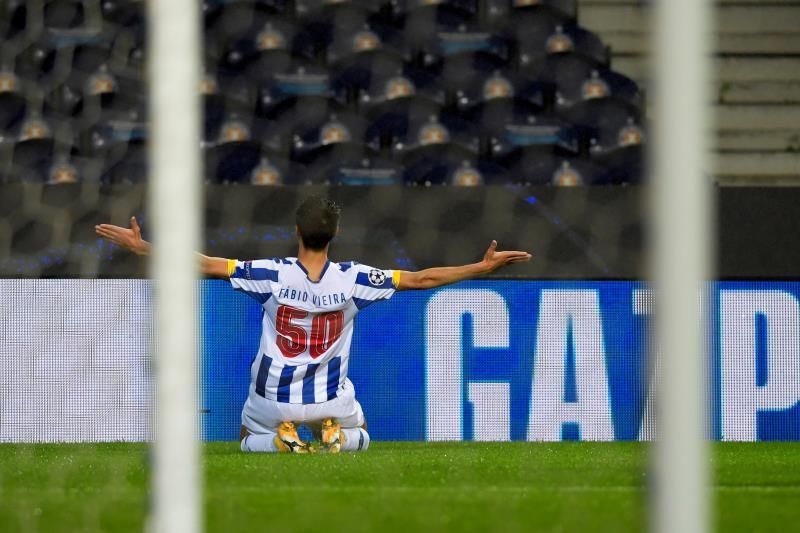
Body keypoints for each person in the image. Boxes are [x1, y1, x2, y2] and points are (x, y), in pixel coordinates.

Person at [95, 195, 531, 453]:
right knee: (361, 434)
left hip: (271, 399)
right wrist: (480, 266)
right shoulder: (356, 279)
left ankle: (277, 443)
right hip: (332, 399)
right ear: (334, 234)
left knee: (246, 435)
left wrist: (143, 247)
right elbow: (423, 279)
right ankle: (336, 437)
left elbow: (206, 265)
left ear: (297, 231)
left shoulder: (270, 273)